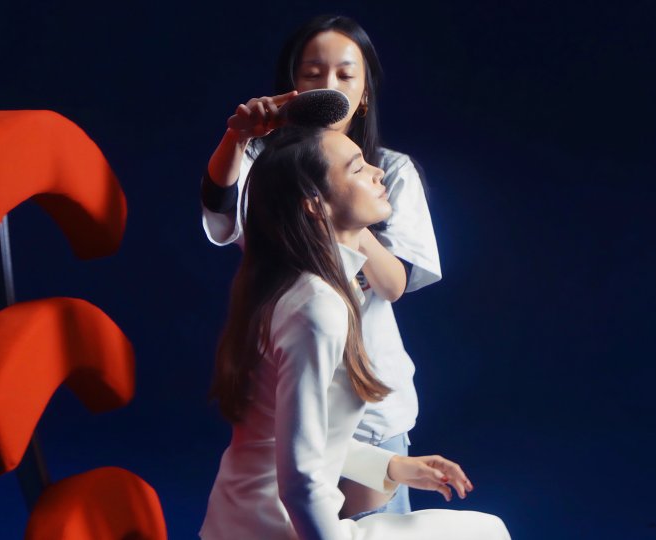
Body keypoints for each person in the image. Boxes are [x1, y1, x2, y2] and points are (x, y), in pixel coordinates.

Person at [200, 127, 509, 540]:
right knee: (489, 531)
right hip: (271, 529)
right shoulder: (316, 306)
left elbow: (288, 438)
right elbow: (299, 481)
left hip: (243, 523)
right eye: (357, 168)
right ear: (315, 205)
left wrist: (392, 466)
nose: (378, 172)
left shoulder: (309, 288)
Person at [200, 14, 440, 518]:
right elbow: (222, 216)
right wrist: (238, 138)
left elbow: (393, 283)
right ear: (292, 84)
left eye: (345, 74)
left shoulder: (387, 172)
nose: (329, 85)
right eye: (313, 73)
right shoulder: (265, 168)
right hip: (285, 380)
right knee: (287, 512)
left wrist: (344, 203)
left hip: (368, 394)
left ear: (365, 93)